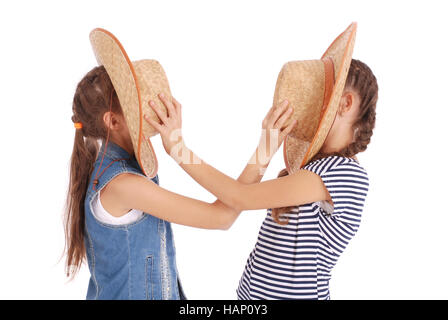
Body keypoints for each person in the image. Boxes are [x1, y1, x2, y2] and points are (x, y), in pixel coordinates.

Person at [146, 58, 378, 300]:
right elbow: (235, 200)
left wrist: (178, 150)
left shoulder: (345, 174)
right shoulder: (314, 167)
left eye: (320, 95)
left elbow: (240, 197)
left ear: (346, 103)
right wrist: (266, 146)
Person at [63, 65, 296, 299]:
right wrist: (264, 149)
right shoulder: (124, 185)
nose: (148, 105)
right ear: (113, 122)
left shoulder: (124, 169)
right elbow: (222, 217)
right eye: (136, 102)